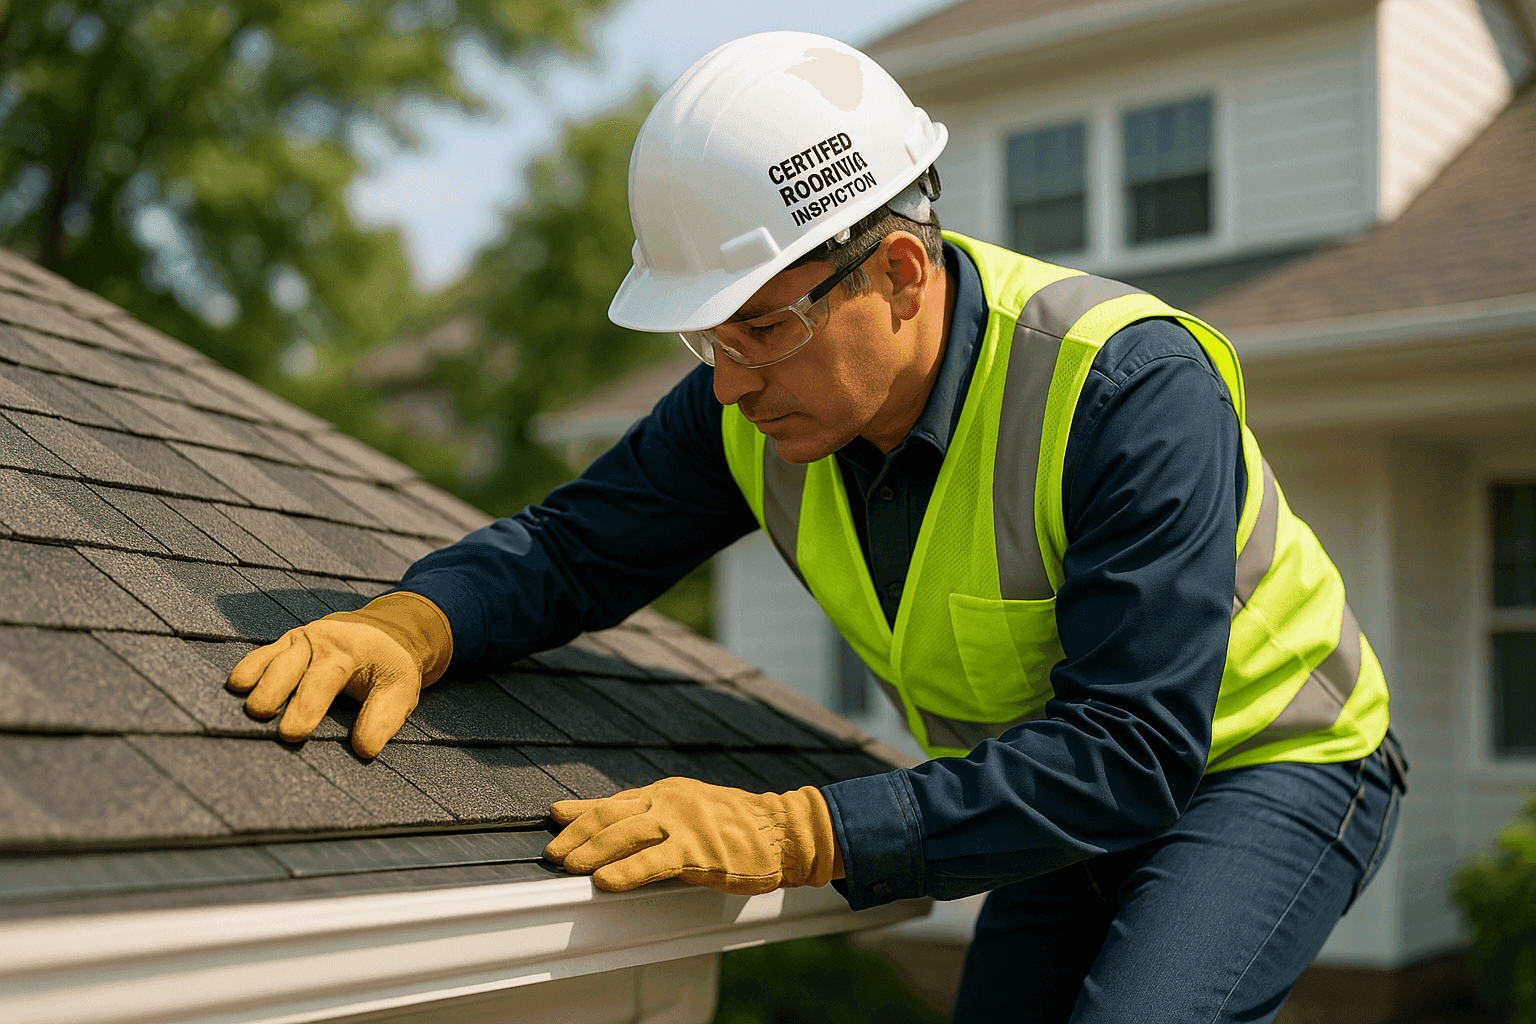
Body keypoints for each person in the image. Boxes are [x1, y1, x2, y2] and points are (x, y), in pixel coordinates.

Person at [228, 32, 1408, 1022]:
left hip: (1271, 761)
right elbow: (573, 548)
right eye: (704, 340)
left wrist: (798, 831)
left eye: (757, 328)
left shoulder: (1128, 390)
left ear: (897, 271)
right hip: (1058, 779)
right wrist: (412, 622)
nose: (728, 381)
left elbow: (1134, 750)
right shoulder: (751, 406)